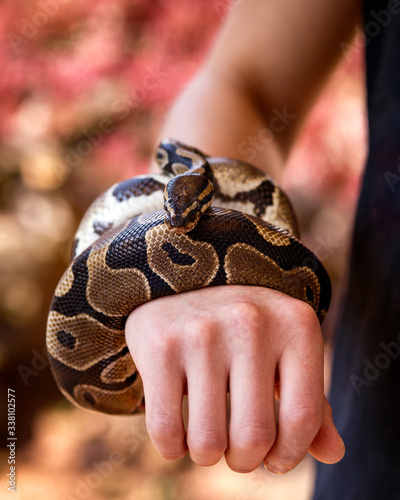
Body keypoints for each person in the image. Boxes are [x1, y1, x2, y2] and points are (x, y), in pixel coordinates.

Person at [125, 1, 400, 498]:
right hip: (382, 422)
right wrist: (177, 277)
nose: (185, 229)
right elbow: (244, 84)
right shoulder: (187, 191)